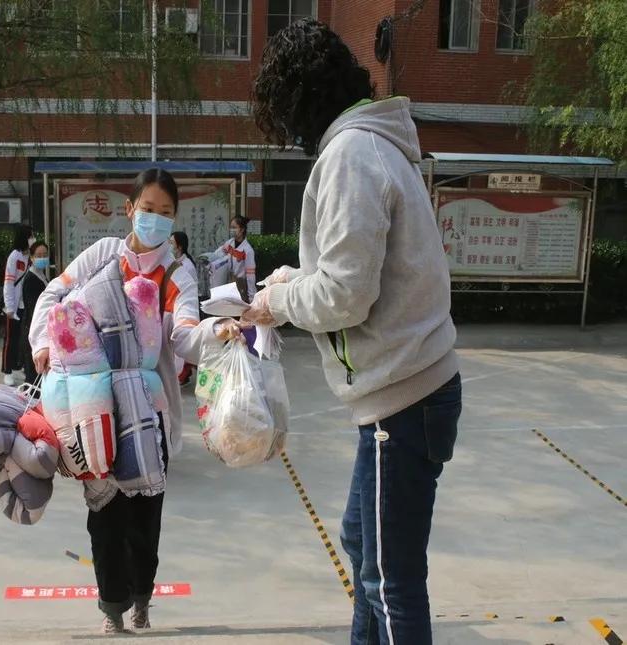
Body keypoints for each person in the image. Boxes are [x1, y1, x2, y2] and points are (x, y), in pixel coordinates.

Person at [244, 19, 462, 645]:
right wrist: (291, 280)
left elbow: (346, 295)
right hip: (405, 393)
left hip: (404, 396)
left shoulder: (350, 156)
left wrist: (279, 301)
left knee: (390, 581)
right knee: (363, 545)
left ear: (297, 101)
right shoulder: (374, 145)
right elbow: (362, 271)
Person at [29, 168, 239, 634]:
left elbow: (184, 335)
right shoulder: (103, 255)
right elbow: (54, 293)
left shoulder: (178, 274)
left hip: (149, 411)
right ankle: (112, 609)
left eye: (165, 212)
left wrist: (218, 332)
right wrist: (42, 342)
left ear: (174, 218)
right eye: (148, 209)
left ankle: (142, 598)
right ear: (130, 209)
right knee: (104, 515)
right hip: (94, 410)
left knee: (145, 519)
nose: (155, 219)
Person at [1, 224, 33, 386]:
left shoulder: (31, 256)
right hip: (14, 305)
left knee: (24, 338)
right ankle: (7, 370)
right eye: (30, 236)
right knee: (11, 339)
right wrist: (9, 306)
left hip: (26, 304)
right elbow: (8, 282)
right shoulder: (14, 256)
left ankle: (19, 366)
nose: (33, 239)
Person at [19, 241, 50, 391]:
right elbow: (34, 309)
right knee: (33, 376)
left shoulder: (41, 275)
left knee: (38, 376)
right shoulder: (31, 279)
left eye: (45, 255)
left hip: (37, 328)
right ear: (31, 257)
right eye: (38, 255)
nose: (42, 258)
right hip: (33, 329)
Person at [170, 231, 199, 385]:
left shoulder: (187, 266)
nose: (169, 245)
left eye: (172, 243)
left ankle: (185, 371)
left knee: (184, 339)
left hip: (184, 307)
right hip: (174, 306)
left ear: (179, 247)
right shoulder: (174, 262)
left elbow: (189, 290)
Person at [207, 216, 257, 302]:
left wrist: (252, 297)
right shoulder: (229, 243)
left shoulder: (248, 250)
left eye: (234, 227)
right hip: (228, 283)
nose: (231, 230)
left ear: (242, 230)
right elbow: (218, 255)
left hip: (240, 286)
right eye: (231, 227)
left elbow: (250, 276)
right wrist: (209, 261)